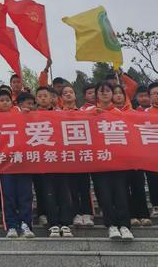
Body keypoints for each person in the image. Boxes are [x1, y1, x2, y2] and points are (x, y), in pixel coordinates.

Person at [85, 82, 134, 240]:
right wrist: (93, 116)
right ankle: (111, 225)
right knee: (104, 194)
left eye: (108, 91)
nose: (105, 94)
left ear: (112, 94)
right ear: (96, 94)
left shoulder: (121, 112)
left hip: (119, 161)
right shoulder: (88, 112)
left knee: (121, 192)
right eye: (101, 91)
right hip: (99, 161)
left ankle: (125, 225)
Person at [0, 90, 34, 239]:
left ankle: (26, 224)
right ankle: (11, 225)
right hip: (4, 163)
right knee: (8, 195)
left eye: (7, 100)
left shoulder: (20, 113)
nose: (5, 103)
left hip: (22, 160)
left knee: (25, 194)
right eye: (1, 100)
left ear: (12, 102)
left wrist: (28, 114)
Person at [35, 86, 74, 238]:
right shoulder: (31, 115)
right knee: (48, 193)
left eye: (46, 96)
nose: (43, 98)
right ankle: (53, 224)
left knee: (63, 192)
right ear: (36, 99)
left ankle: (65, 223)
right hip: (43, 162)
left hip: (60, 160)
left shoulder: (61, 114)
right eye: (40, 96)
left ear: (52, 98)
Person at [112, 85, 152, 227]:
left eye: (120, 93)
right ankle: (131, 215)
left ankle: (143, 214)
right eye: (115, 93)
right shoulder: (107, 114)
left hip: (135, 156)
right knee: (122, 188)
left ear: (125, 96)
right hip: (118, 157)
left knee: (138, 186)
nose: (118, 96)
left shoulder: (134, 113)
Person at [60, 85, 94, 228]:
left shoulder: (84, 112)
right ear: (61, 98)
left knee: (84, 186)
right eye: (65, 93)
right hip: (66, 157)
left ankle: (87, 213)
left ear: (75, 95)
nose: (68, 95)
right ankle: (75, 213)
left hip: (82, 156)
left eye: (71, 92)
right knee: (70, 187)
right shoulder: (56, 114)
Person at [145, 82, 158, 217]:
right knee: (154, 180)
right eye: (155, 94)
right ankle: (156, 205)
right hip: (152, 153)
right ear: (149, 97)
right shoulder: (144, 113)